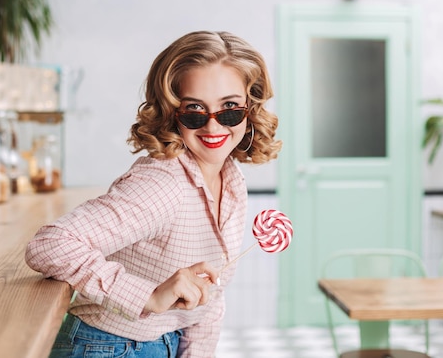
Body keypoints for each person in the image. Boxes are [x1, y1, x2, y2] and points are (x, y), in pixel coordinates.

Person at [25, 30, 282, 357]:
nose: (213, 126)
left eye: (230, 108)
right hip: (108, 346)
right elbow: (49, 244)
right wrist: (146, 295)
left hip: (165, 343)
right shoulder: (162, 183)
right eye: (194, 110)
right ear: (171, 111)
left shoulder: (232, 182)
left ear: (250, 108)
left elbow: (209, 299)